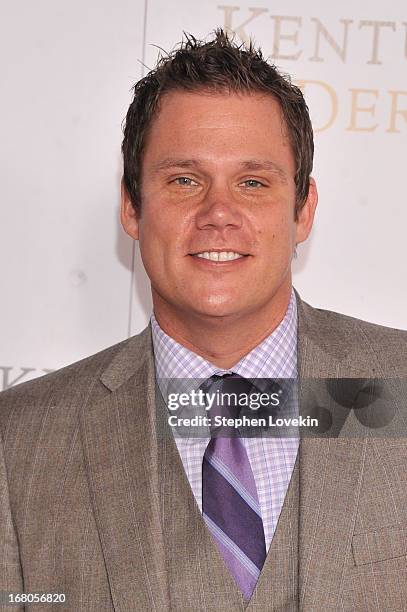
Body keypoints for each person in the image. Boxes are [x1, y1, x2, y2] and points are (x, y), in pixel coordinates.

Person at [1, 29, 406, 612]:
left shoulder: (398, 390)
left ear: (303, 211)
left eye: (253, 182)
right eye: (185, 180)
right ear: (131, 207)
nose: (219, 213)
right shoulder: (19, 446)